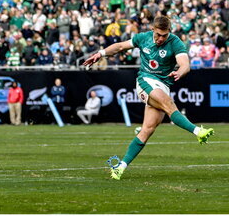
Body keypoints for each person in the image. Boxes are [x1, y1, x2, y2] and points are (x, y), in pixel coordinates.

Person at [82, 14, 214, 180]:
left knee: (147, 130)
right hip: (145, 80)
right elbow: (120, 46)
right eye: (158, 34)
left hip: (163, 85)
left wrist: (180, 72)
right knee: (168, 104)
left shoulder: (175, 42)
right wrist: (100, 53)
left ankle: (120, 168)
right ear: (152, 30)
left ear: (169, 32)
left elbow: (185, 64)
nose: (160, 38)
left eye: (164, 35)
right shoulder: (142, 38)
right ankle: (198, 132)